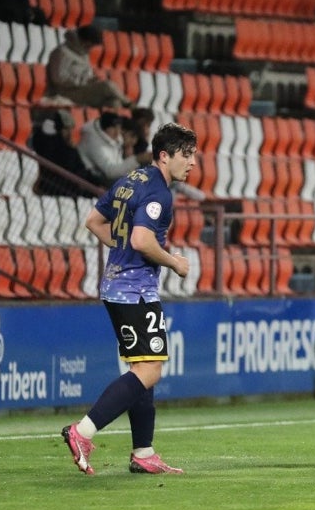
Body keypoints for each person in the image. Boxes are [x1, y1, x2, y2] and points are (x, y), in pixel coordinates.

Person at [61, 121, 197, 476]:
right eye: (186, 154)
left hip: (116, 286)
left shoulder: (129, 180)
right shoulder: (159, 193)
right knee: (150, 369)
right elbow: (140, 240)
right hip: (135, 291)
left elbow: (93, 220)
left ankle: (144, 452)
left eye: (194, 154)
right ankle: (82, 431)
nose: (192, 162)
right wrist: (174, 262)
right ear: (164, 156)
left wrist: (119, 248)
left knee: (142, 367)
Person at [45, 25, 132, 108]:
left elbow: (86, 73)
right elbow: (59, 78)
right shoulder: (62, 53)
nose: (91, 48)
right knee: (107, 85)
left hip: (82, 90)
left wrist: (92, 79)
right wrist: (84, 80)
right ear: (84, 41)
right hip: (66, 92)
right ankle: (129, 104)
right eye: (90, 45)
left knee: (114, 102)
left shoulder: (83, 54)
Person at [31, 110, 102, 197]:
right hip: (54, 185)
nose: (69, 133)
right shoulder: (51, 146)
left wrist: (97, 183)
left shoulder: (68, 147)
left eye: (70, 129)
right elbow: (69, 166)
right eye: (66, 129)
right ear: (58, 129)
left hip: (70, 183)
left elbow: (80, 169)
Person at [78, 111, 138, 186]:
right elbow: (109, 172)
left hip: (111, 176)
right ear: (104, 128)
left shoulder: (113, 137)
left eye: (118, 127)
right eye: (112, 128)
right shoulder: (93, 142)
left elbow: (117, 164)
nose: (117, 132)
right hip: (94, 178)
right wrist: (136, 160)